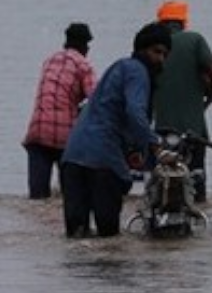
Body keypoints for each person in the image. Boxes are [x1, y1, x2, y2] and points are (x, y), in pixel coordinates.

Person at [60, 22, 171, 238]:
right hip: (102, 161)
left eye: (165, 55)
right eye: (157, 52)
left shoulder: (119, 67)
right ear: (141, 50)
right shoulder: (138, 72)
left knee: (76, 239)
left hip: (72, 157)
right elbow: (134, 112)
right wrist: (157, 146)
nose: (161, 60)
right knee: (108, 241)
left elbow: (107, 111)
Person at [152, 0, 212, 203]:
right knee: (196, 178)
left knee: (159, 180)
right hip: (194, 131)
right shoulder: (194, 40)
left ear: (161, 23)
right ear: (184, 23)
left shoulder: (153, 48)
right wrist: (205, 94)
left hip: (161, 130)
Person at [21, 22, 98, 200]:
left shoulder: (50, 60)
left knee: (37, 199)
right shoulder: (83, 65)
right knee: (69, 197)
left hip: (36, 133)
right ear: (85, 45)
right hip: (64, 137)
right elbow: (97, 101)